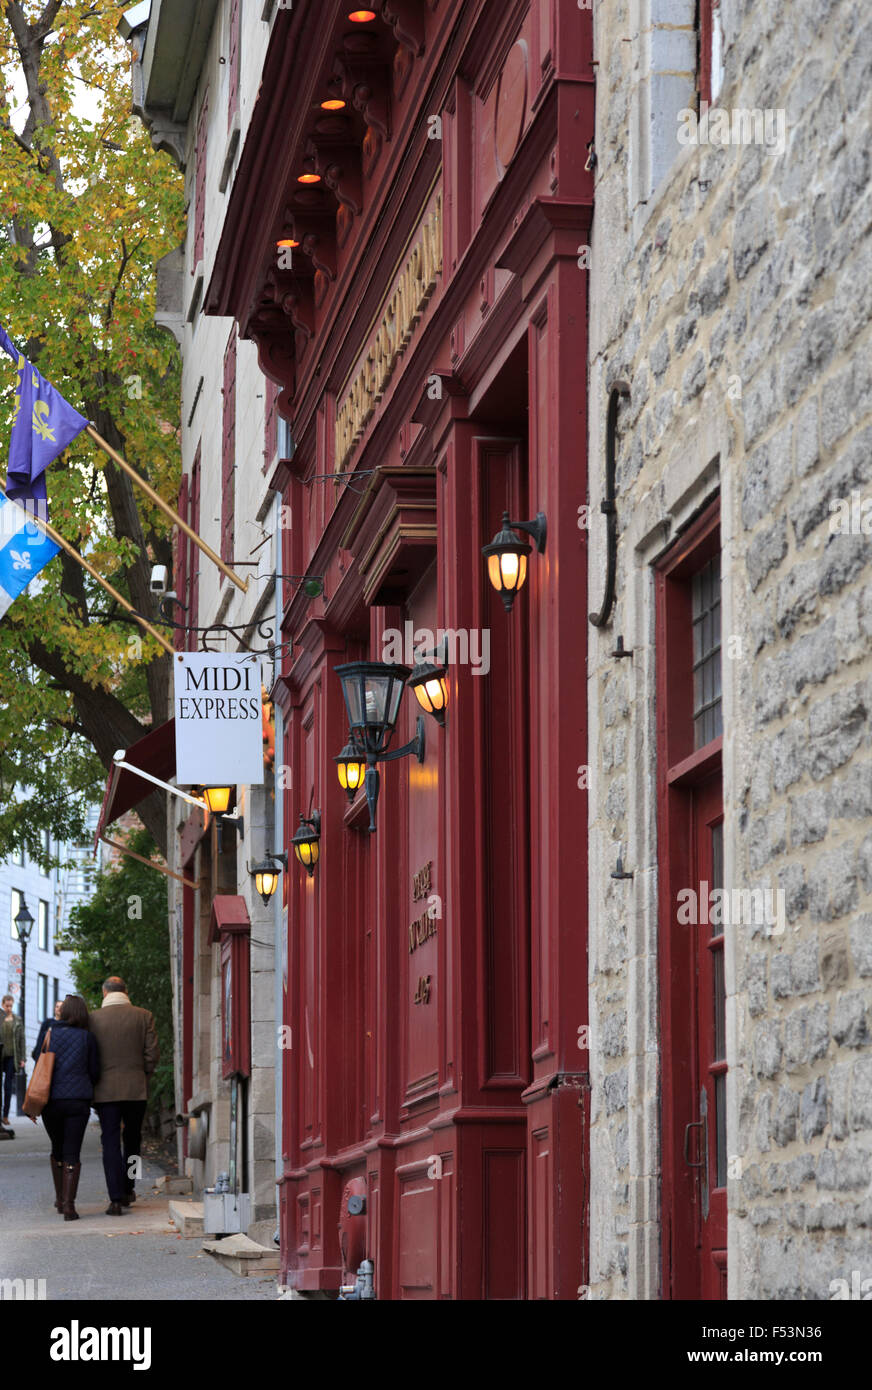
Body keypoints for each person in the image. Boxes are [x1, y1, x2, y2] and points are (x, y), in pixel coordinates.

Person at [88, 976, 159, 1217]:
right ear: (125, 991)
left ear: (104, 993)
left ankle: (115, 1198)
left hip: (105, 1090)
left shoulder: (93, 1019)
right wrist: (143, 1075)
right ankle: (130, 1187)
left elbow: (90, 1055)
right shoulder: (143, 1015)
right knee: (133, 1139)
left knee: (109, 1142)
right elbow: (152, 1054)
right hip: (136, 1088)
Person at [40, 994, 99, 1221]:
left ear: (63, 1013)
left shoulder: (50, 1034)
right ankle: (69, 1206)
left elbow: (40, 1061)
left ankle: (59, 1198)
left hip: (51, 1102)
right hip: (77, 1101)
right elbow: (94, 1071)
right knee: (72, 1151)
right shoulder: (87, 1038)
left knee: (57, 1147)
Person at [1, 994, 25, 1126]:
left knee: (8, 1087)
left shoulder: (18, 1020)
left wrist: (23, 1058)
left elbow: (22, 1039)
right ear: (2, 1005)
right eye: (6, 1005)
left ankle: (5, 1115)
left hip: (12, 1057)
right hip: (1, 1056)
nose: (9, 1008)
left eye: (11, 1005)